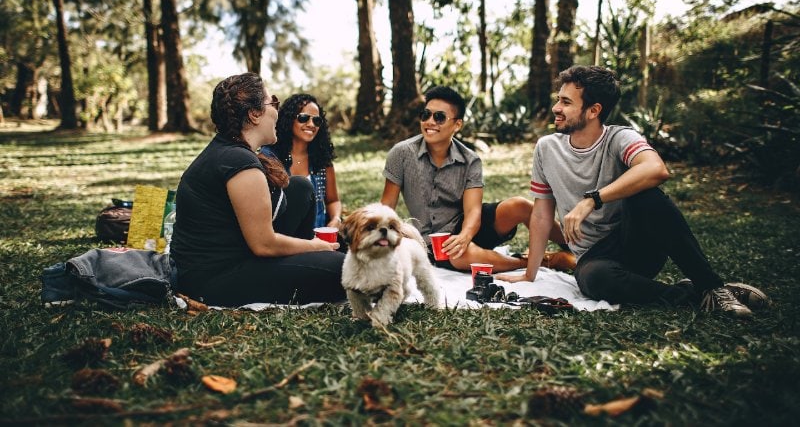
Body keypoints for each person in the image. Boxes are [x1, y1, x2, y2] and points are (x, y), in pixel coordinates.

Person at [498, 65, 769, 317]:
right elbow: (542, 215)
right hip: (595, 259)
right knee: (594, 279)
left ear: (594, 110)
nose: (556, 107)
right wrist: (529, 274)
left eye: (566, 102)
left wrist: (592, 200)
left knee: (647, 194)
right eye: (559, 99)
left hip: (637, 244)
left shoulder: (620, 137)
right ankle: (694, 294)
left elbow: (656, 169)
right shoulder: (547, 148)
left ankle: (713, 286)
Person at [171, 73, 346, 307]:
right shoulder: (238, 162)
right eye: (272, 102)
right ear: (254, 114)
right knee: (345, 270)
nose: (277, 110)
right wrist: (316, 246)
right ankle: (315, 260)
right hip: (214, 278)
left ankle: (311, 260)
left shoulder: (232, 151)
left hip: (237, 254)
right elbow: (263, 244)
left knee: (300, 188)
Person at [380, 85, 567, 273]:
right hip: (433, 241)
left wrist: (465, 236)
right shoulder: (401, 154)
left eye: (439, 117)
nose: (430, 122)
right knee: (462, 255)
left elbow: (473, 212)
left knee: (520, 205)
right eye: (426, 115)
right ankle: (543, 261)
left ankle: (575, 248)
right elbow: (386, 207)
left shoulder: (470, 160)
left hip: (468, 226)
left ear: (457, 124)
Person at [261, 93, 342, 229]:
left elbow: (333, 200)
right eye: (303, 118)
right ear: (289, 120)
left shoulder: (321, 159)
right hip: (283, 238)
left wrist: (336, 219)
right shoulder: (270, 157)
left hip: (318, 238)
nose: (311, 124)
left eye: (317, 120)